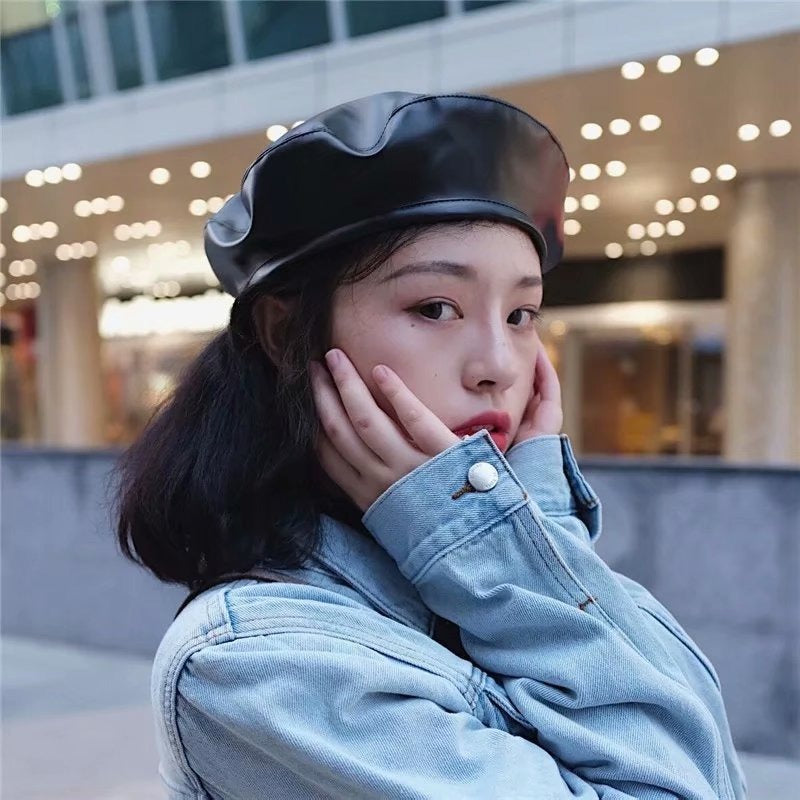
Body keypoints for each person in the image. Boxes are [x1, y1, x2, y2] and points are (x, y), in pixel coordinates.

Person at [112, 91, 746, 799]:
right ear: (286, 333)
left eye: (521, 313)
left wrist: (533, 527)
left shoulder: (519, 566)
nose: (498, 364)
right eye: (435, 308)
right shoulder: (255, 662)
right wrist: (508, 536)